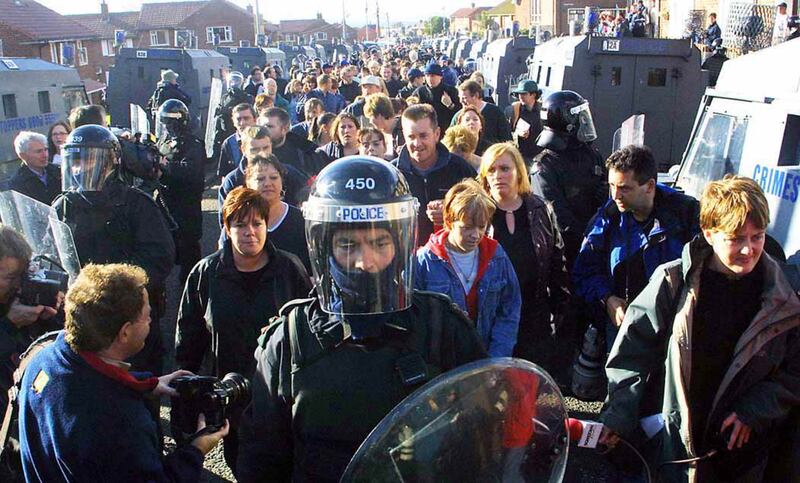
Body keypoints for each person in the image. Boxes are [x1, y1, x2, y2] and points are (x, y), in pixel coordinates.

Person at [236, 157, 487, 481]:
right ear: (326, 247)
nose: (364, 261)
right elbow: (262, 459)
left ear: (399, 243)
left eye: (379, 243)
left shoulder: (441, 327)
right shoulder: (291, 338)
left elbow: (480, 436)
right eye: (348, 244)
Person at [599, 175, 800, 483]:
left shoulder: (784, 299)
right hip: (674, 446)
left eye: (757, 237)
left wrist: (755, 410)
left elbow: (793, 372)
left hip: (742, 456)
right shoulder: (672, 283)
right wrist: (618, 417)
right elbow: (631, 355)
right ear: (709, 233)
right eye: (736, 238)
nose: (749, 250)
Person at [18, 263, 227, 482]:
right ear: (125, 332)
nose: (151, 321)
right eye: (147, 316)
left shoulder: (44, 358)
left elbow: (92, 374)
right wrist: (196, 450)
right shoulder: (121, 423)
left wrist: (146, 384)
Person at [176, 187, 310, 472]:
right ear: (226, 228)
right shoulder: (205, 274)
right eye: (240, 224)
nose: (250, 231)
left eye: (257, 223)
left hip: (281, 400)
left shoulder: (289, 269)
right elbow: (189, 337)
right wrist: (188, 396)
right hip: (231, 400)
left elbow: (310, 328)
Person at [53, 125, 175, 376]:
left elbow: (159, 258)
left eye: (90, 159)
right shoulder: (63, 206)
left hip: (129, 319)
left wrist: (114, 289)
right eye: (75, 160)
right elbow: (53, 255)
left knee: (138, 390)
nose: (81, 167)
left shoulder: (136, 203)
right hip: (84, 320)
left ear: (111, 162)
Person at [573, 145, 699, 354]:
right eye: (611, 186)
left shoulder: (686, 215)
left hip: (674, 327)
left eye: (624, 188)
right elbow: (585, 271)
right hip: (624, 327)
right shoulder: (607, 219)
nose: (615, 195)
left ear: (649, 186)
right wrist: (607, 299)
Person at [477, 143, 570, 375]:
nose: (498, 175)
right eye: (492, 169)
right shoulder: (478, 212)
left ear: (519, 171)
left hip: (534, 312)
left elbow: (557, 258)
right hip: (493, 314)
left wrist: (560, 305)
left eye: (505, 168)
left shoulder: (540, 209)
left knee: (530, 386)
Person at [415, 179, 521, 357]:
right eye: (467, 228)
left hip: (488, 358)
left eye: (482, 227)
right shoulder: (424, 261)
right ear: (449, 221)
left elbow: (510, 309)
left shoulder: (497, 256)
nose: (476, 235)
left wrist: (498, 356)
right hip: (442, 364)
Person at [531, 90, 608, 268]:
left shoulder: (591, 155)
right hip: (569, 254)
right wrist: (588, 240)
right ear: (567, 122)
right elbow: (558, 218)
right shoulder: (544, 166)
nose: (585, 121)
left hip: (600, 242)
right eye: (579, 116)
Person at [392, 104, 477, 246]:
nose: (417, 143)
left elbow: (481, 209)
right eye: (411, 137)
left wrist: (451, 210)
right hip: (407, 258)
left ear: (437, 134)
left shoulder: (460, 169)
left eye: (423, 136)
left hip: (452, 257)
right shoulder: (392, 174)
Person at [0, 226, 60, 411]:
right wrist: (9, 325)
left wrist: (51, 316)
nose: (18, 286)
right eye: (10, 277)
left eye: (22, 276)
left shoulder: (16, 298)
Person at [155, 99, 206, 284]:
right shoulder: (164, 141)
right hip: (166, 202)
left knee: (189, 254)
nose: (167, 126)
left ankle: (193, 288)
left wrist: (166, 167)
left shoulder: (193, 144)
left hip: (186, 206)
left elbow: (192, 172)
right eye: (164, 122)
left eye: (171, 122)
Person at [242, 156, 311, 270]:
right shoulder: (239, 221)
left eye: (274, 177)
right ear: (248, 183)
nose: (268, 183)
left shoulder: (301, 221)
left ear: (282, 181)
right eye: (260, 179)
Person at [259, 107, 325, 177]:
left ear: (285, 129)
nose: (264, 131)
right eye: (262, 127)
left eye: (269, 126)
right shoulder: (254, 149)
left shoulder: (306, 153)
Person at [452, 80, 512, 147]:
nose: (461, 101)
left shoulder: (495, 112)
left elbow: (507, 139)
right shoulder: (458, 116)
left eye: (464, 98)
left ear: (476, 95)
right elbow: (450, 140)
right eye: (460, 98)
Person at [212, 72, 254, 164]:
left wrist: (226, 110)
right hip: (225, 129)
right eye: (232, 81)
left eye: (237, 81)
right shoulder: (224, 97)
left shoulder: (247, 97)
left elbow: (245, 109)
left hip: (240, 130)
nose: (234, 83)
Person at [9, 131, 61, 205]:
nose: (45, 155)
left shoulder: (58, 171)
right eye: (38, 151)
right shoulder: (18, 182)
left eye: (46, 149)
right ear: (23, 155)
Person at [412, 63, 461, 132]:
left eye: (433, 76)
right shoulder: (419, 92)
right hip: (425, 131)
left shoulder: (451, 91)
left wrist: (450, 105)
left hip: (446, 131)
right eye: (427, 76)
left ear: (440, 77)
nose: (430, 79)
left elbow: (460, 113)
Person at [506, 80, 544, 163]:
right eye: (519, 94)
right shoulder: (515, 109)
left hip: (539, 156)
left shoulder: (543, 110)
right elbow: (506, 133)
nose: (520, 96)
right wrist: (518, 134)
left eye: (524, 94)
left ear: (533, 94)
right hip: (520, 155)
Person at [217, 103, 257, 179]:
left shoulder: (264, 139)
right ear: (234, 122)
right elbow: (224, 174)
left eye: (246, 118)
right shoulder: (228, 143)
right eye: (238, 119)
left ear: (255, 120)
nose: (242, 123)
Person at [364, 93, 406, 158]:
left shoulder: (405, 128)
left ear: (380, 115)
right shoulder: (377, 135)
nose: (370, 121)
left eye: (370, 116)